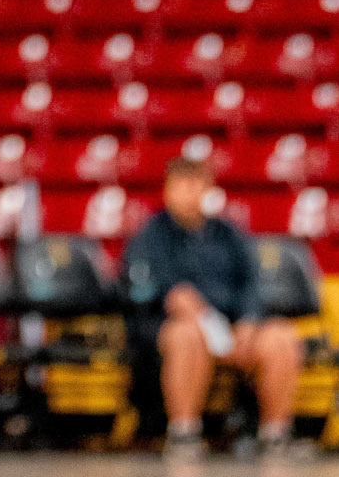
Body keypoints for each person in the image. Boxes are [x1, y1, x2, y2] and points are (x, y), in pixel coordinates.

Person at [121, 156, 302, 454]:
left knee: (281, 336)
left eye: (196, 185)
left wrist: (248, 320)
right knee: (186, 334)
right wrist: (175, 298)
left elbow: (250, 283)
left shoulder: (228, 234)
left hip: (228, 326)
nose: (189, 194)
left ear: (209, 190)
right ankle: (184, 432)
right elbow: (142, 288)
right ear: (167, 190)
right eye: (181, 186)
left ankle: (275, 433)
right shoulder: (150, 236)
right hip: (172, 328)